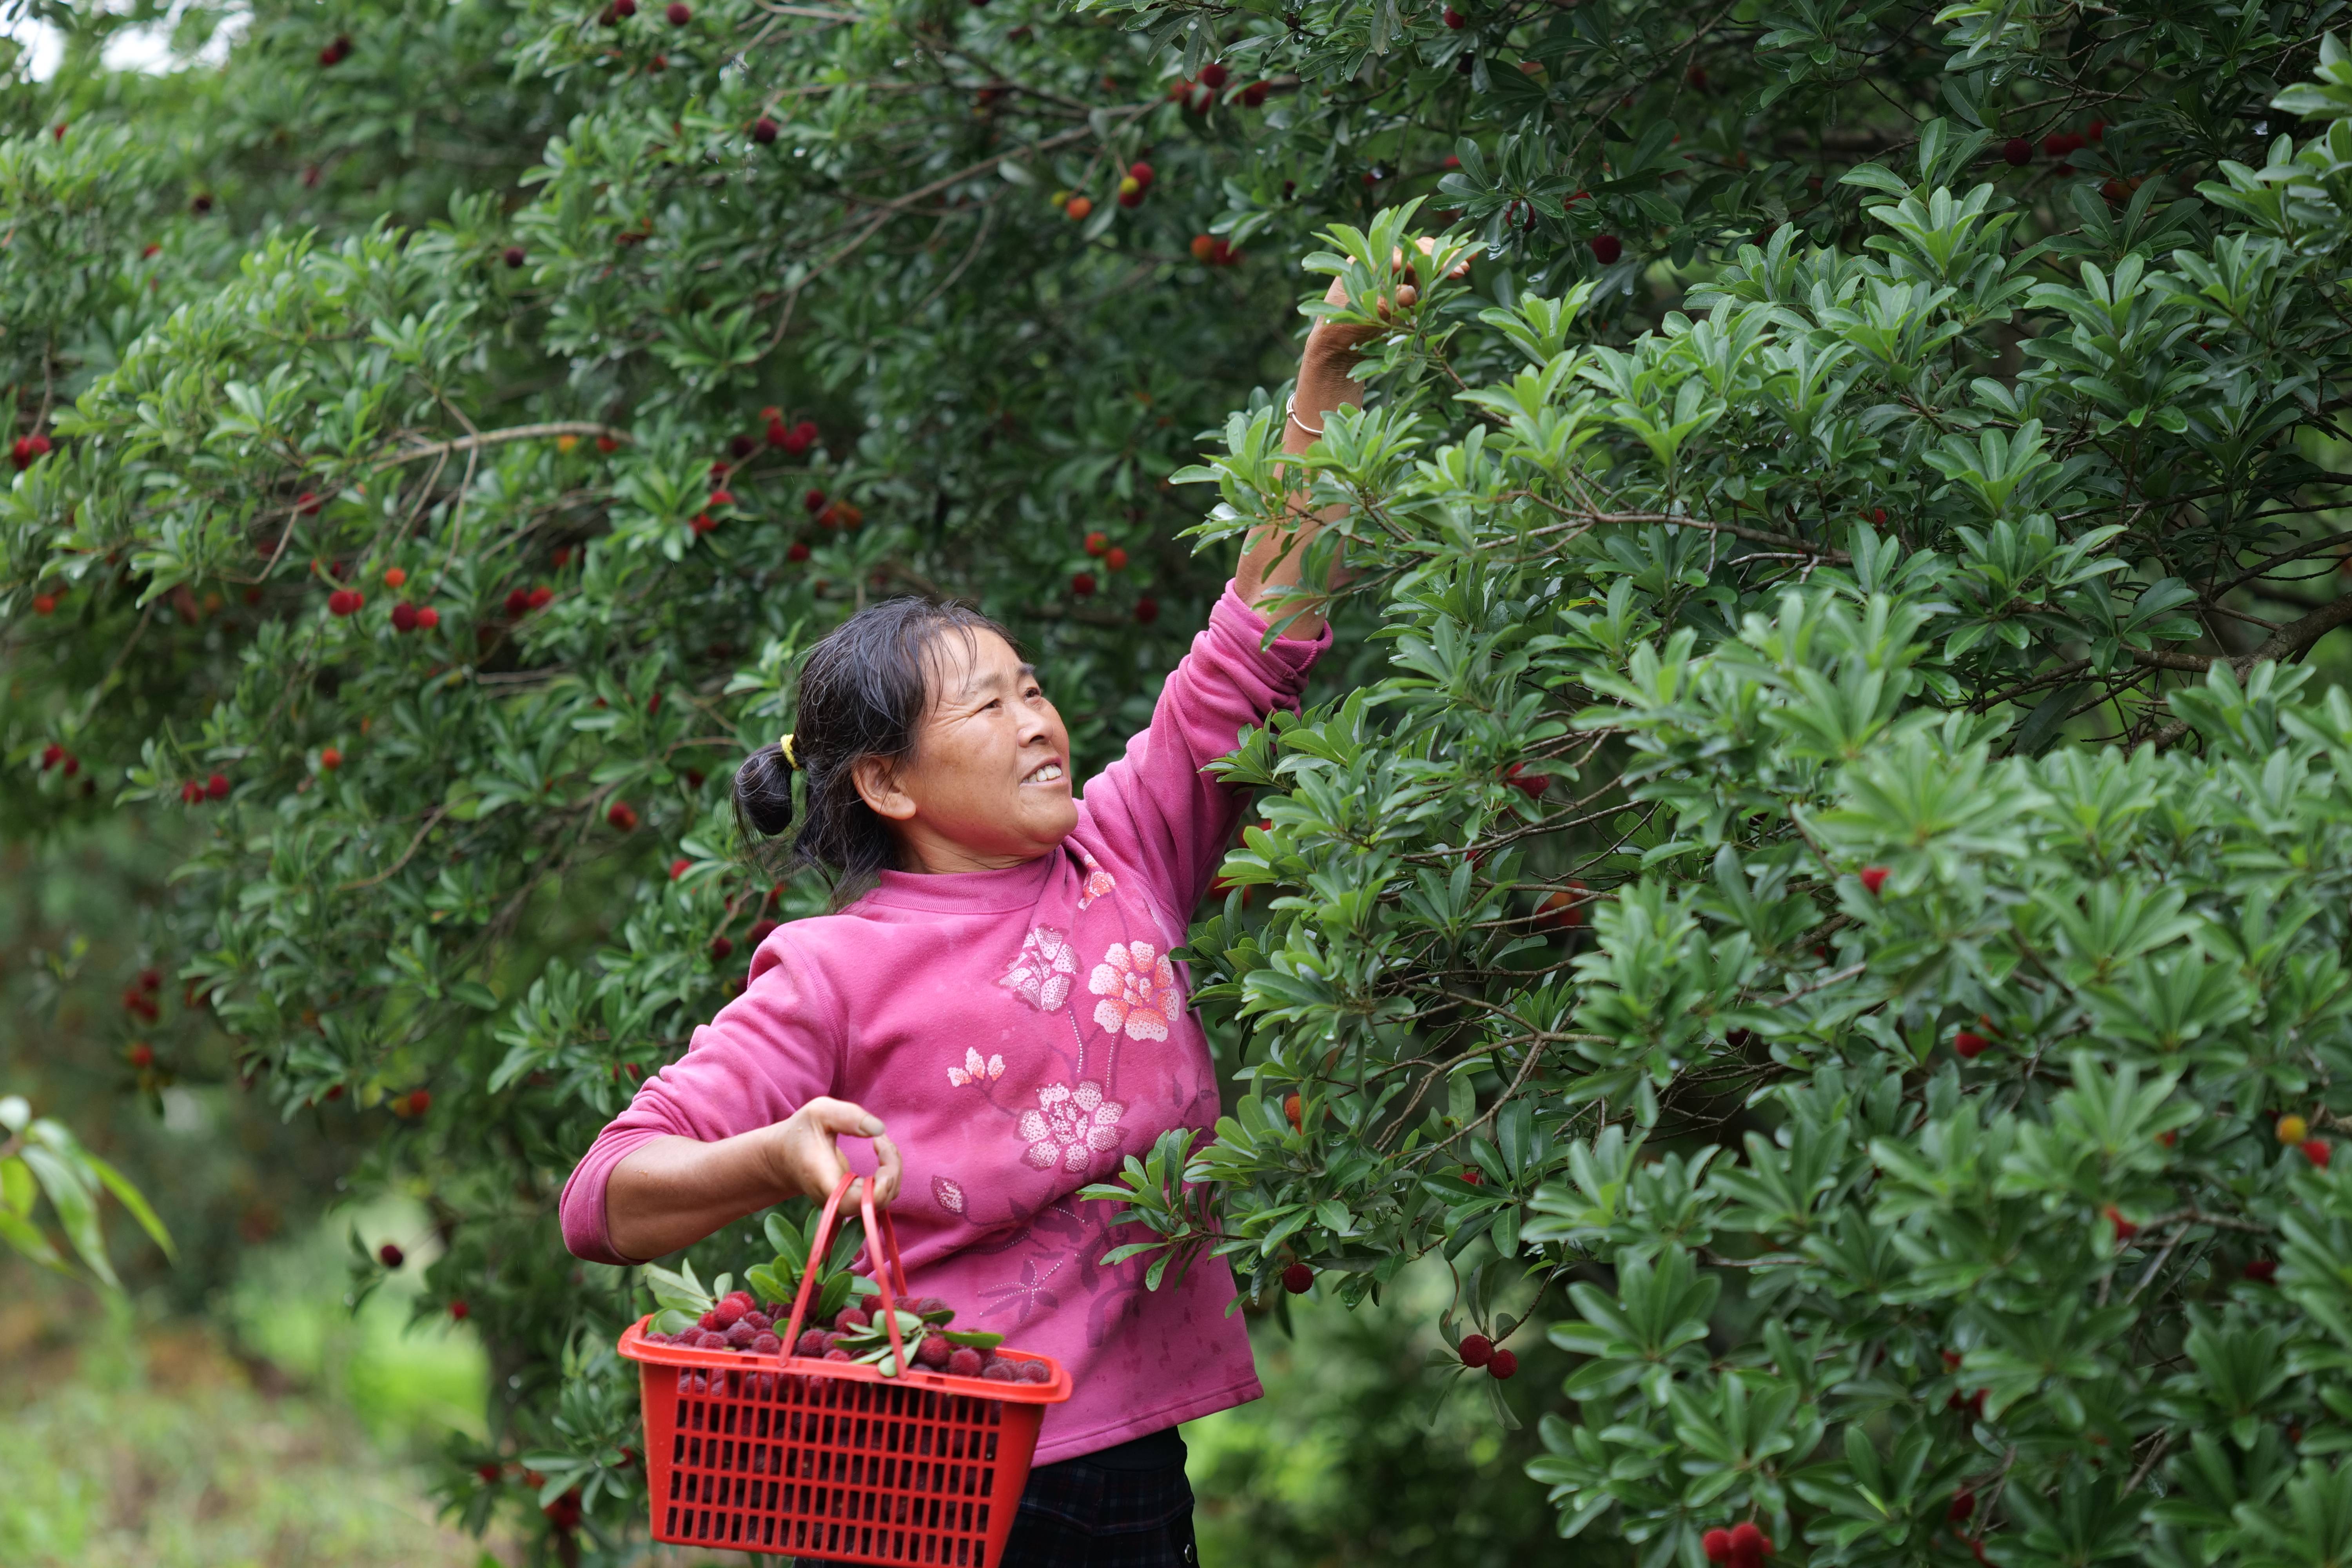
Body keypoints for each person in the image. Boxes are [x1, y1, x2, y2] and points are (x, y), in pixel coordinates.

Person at [559, 262, 1406, 1565]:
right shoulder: (831, 968)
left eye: (1034, 687)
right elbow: (605, 1199)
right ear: (888, 781)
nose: (1040, 722)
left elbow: (1260, 639)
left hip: (1121, 1469)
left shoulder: (1126, 849)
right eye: (990, 706)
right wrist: (779, 1153)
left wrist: (1326, 384)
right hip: (922, 1476)